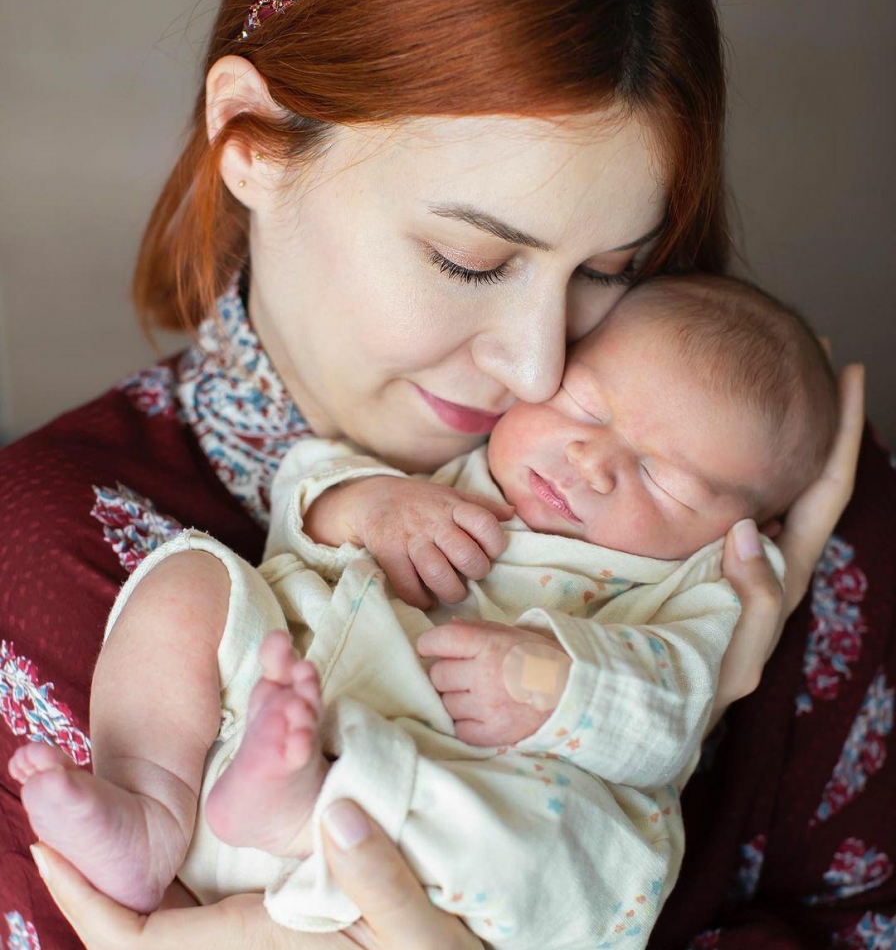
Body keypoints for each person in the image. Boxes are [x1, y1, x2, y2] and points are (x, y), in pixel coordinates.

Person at [0, 0, 886, 949]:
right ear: (250, 142)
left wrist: (683, 686)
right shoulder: (39, 563)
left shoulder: (774, 503)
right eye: (469, 261)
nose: (534, 362)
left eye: (612, 269)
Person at [10, 273, 842, 950]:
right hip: (265, 717)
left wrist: (561, 683)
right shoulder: (462, 451)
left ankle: (305, 812)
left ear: (745, 533)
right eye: (586, 408)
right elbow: (305, 479)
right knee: (192, 577)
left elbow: (677, 702)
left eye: (668, 482)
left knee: (556, 852)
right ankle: (149, 801)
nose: (591, 462)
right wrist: (364, 506)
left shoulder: (693, 586)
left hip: (444, 824)